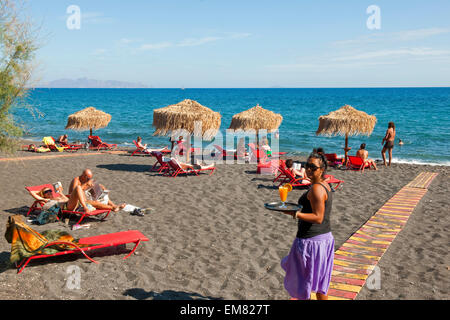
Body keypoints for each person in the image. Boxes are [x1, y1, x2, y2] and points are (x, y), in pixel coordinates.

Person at [280, 152, 335, 300]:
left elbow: (318, 217)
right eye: (307, 165)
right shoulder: (324, 185)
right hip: (324, 240)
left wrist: (295, 214)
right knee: (321, 284)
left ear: (322, 169)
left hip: (311, 242)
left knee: (304, 284)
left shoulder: (317, 188)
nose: (308, 169)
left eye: (313, 167)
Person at [28, 184, 92, 214]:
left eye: (50, 190)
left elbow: (66, 199)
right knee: (78, 187)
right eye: (46, 192)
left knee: (80, 188)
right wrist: (40, 192)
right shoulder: (46, 200)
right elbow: (32, 192)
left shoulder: (57, 197)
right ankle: (85, 207)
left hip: (72, 203)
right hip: (67, 206)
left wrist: (61, 193)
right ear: (43, 195)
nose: (49, 192)